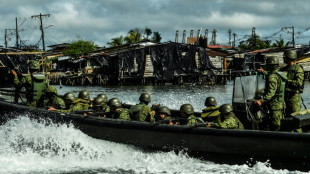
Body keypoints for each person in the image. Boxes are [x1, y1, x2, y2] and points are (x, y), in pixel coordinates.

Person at [255, 56, 286, 131]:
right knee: (279, 123)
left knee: (276, 126)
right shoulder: (279, 74)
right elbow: (271, 74)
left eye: (267, 64)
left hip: (274, 105)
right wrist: (263, 72)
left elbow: (271, 93)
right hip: (280, 103)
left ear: (271, 65)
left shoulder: (272, 77)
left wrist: (261, 101)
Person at [280, 50, 304, 116]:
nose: (283, 58)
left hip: (294, 97)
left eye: (285, 57)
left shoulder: (298, 69)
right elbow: (276, 73)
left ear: (289, 58)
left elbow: (299, 83)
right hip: (285, 96)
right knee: (287, 116)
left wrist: (287, 80)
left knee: (295, 116)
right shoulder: (285, 68)